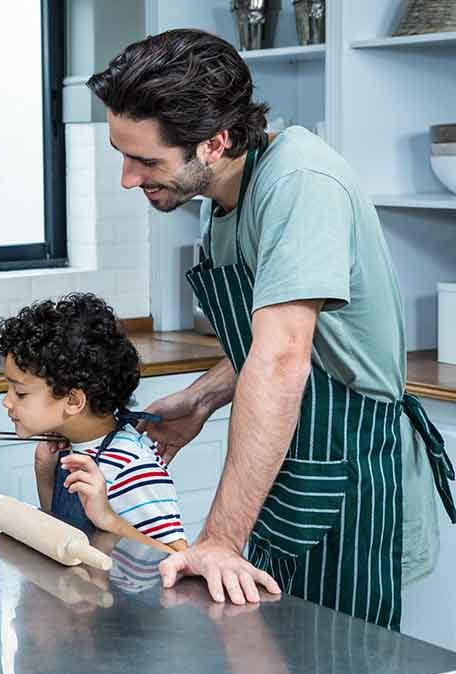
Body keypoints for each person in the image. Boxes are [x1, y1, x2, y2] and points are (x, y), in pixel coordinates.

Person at [87, 29, 455, 628]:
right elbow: (279, 337)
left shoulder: (298, 184)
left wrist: (220, 540)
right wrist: (204, 397)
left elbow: (285, 358)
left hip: (344, 471)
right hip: (293, 465)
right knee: (271, 654)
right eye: (122, 154)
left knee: (341, 669)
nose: (129, 178)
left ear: (216, 142)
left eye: (146, 160)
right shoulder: (228, 195)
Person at [0, 293, 187, 550]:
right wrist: (44, 474)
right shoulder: (72, 447)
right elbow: (62, 535)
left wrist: (107, 518)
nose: (6, 402)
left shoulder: (130, 466)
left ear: (73, 401)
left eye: (20, 393)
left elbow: (179, 557)